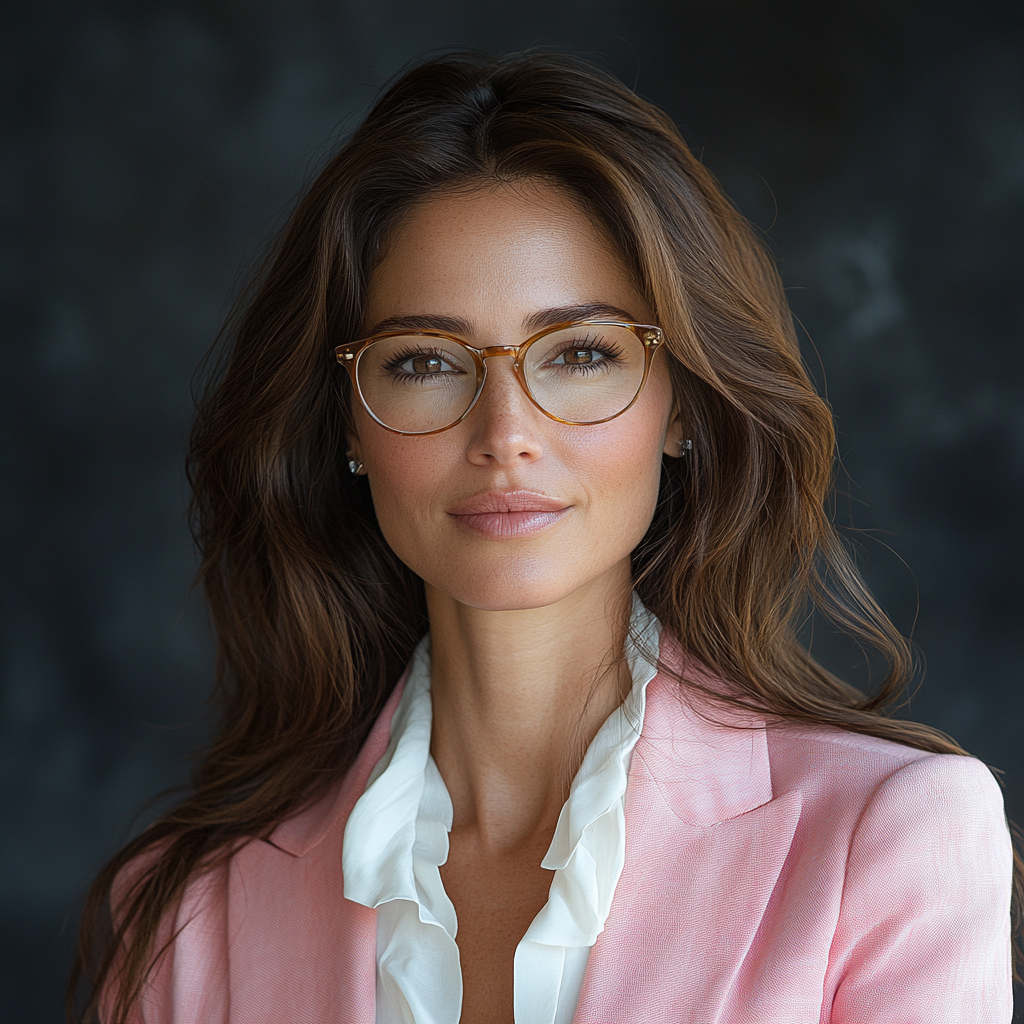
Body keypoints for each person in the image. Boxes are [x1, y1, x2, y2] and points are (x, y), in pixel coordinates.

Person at [71, 52, 1017, 1024]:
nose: (505, 436)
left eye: (579, 354)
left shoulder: (889, 836)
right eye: (426, 362)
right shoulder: (190, 910)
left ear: (681, 403)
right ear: (348, 426)